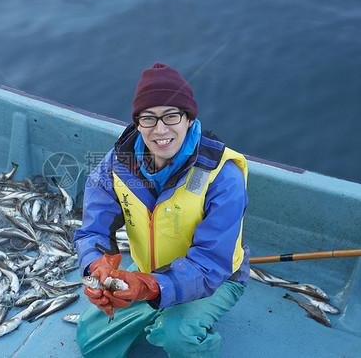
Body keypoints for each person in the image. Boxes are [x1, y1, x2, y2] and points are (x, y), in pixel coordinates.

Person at [72, 62, 250, 358]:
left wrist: (150, 287)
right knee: (91, 342)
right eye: (148, 118)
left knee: (177, 335)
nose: (160, 129)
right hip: (146, 271)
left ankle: (188, 330)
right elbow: (92, 230)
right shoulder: (119, 163)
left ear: (190, 119)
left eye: (171, 116)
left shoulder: (223, 176)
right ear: (137, 122)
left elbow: (210, 263)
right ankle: (159, 310)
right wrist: (96, 268)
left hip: (216, 279)